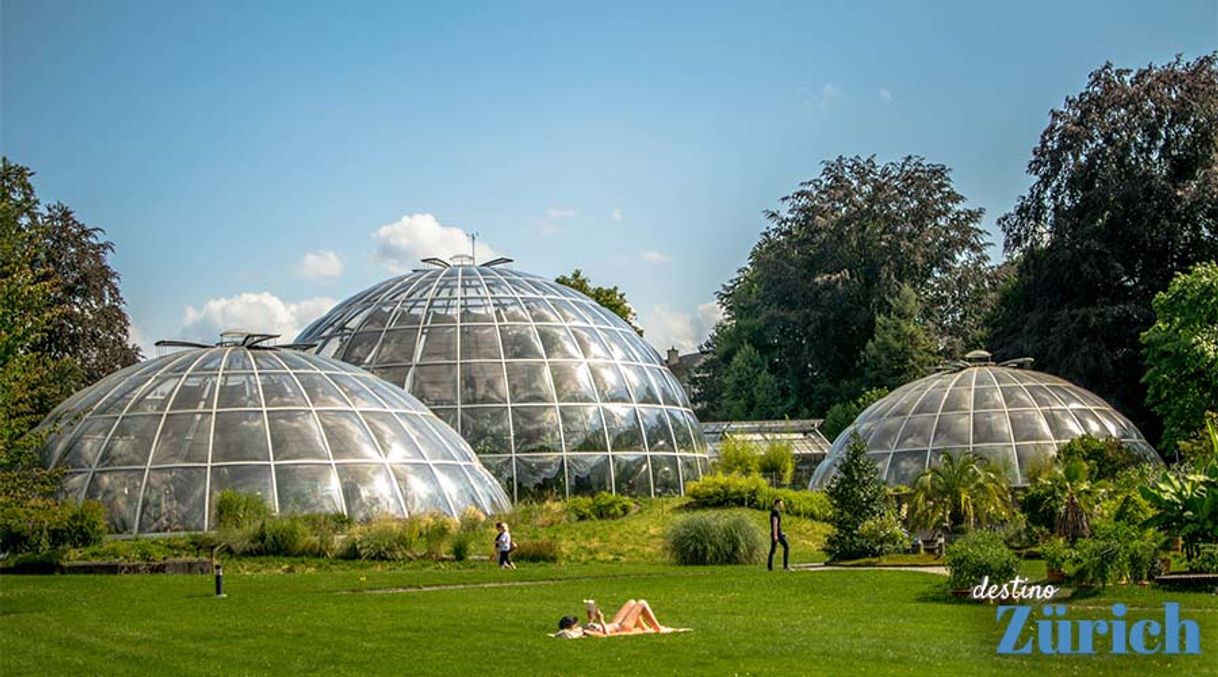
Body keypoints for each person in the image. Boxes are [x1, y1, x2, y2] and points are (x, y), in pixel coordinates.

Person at [554, 599, 669, 638]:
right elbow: (606, 635)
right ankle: (658, 628)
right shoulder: (584, 632)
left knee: (632, 602)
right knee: (642, 603)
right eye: (575, 623)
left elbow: (593, 628)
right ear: (570, 627)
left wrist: (591, 619)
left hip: (615, 624)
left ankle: (644, 628)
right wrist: (601, 620)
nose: (577, 623)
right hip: (621, 628)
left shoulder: (580, 629)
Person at [768, 497, 790, 571]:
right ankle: (785, 566)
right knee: (786, 547)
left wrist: (781, 533)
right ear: (777, 503)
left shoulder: (776, 511)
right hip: (776, 532)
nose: (782, 505)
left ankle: (770, 567)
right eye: (781, 503)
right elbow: (775, 523)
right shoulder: (775, 511)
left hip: (778, 532)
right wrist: (775, 535)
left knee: (773, 550)